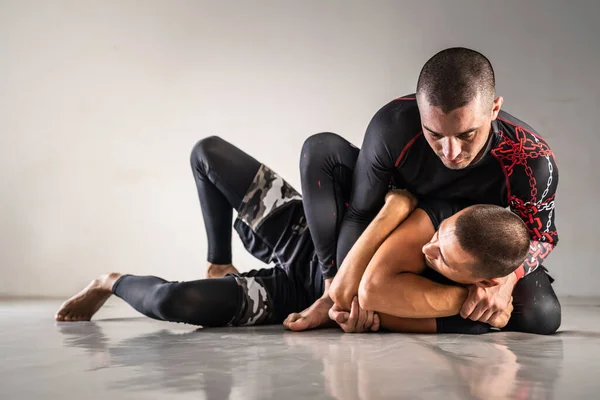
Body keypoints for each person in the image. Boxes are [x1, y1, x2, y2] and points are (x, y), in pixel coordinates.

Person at [56, 137, 526, 334]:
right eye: (438, 238)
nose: (429, 250)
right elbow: (356, 287)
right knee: (208, 153)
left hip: (288, 296)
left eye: (442, 261)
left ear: (481, 281)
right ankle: (220, 257)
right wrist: (396, 210)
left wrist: (362, 324)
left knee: (171, 304)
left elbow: (366, 313)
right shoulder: (445, 222)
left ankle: (107, 280)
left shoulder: (474, 310)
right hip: (306, 238)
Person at [287, 47, 560, 334]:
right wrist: (337, 291)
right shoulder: (392, 126)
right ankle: (326, 288)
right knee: (320, 150)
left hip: (467, 251)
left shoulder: (529, 156)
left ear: (494, 109)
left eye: (467, 134)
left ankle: (436, 313)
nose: (451, 152)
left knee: (541, 316)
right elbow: (360, 213)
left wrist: (506, 283)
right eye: (435, 134)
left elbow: (541, 236)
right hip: (404, 232)